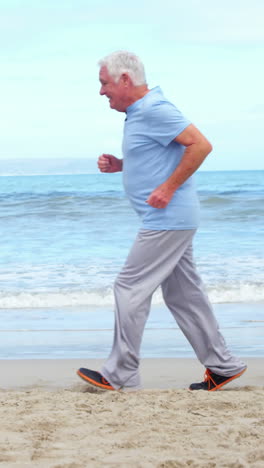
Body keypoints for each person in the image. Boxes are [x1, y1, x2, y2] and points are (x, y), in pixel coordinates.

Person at [77, 51, 247, 392]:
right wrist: (122, 165)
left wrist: (168, 189)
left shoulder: (156, 109)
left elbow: (200, 145)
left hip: (167, 218)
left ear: (125, 79)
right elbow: (157, 156)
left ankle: (120, 373)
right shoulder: (139, 113)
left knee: (128, 287)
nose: (101, 92)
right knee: (184, 295)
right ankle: (223, 365)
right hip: (173, 219)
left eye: (104, 84)